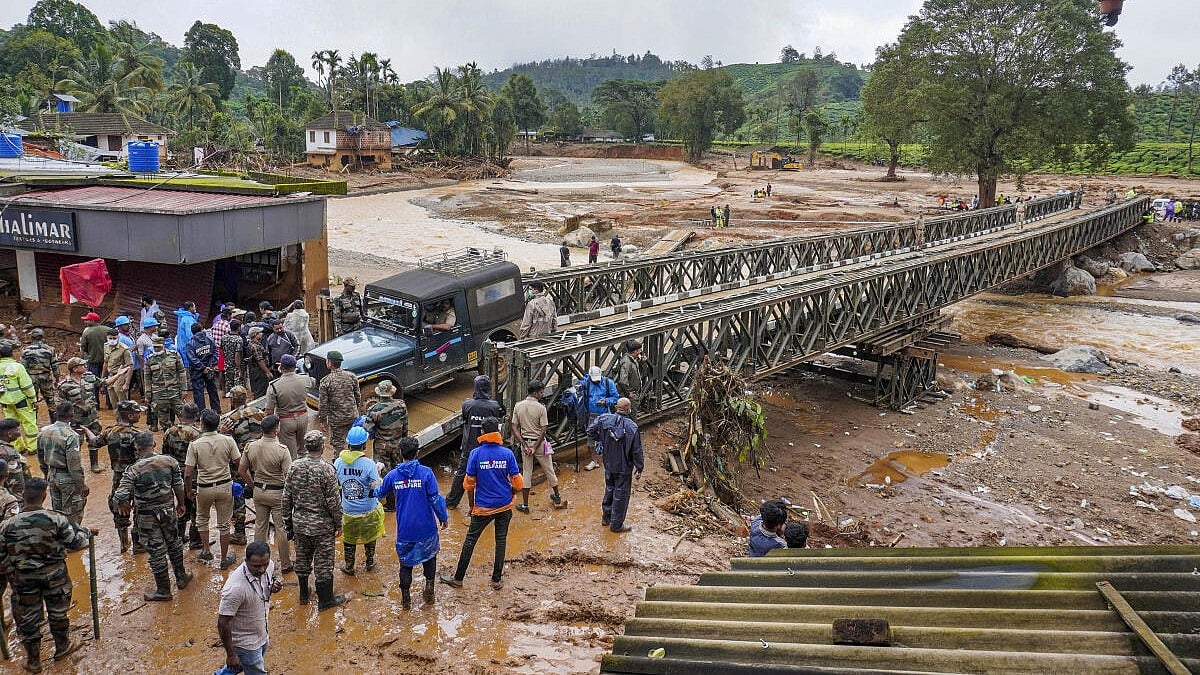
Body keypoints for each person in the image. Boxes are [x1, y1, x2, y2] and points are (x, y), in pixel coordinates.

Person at [0, 478, 95, 672]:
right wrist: (86, 532)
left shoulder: (6, 525)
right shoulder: (56, 518)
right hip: (55, 575)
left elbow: (1, 558)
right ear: (44, 496)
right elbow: (74, 542)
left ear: (23, 495)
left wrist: (12, 573)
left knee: (28, 618)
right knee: (58, 612)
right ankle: (62, 647)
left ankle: (34, 661)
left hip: (23, 579)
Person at [439, 417, 523, 591]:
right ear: (498, 432)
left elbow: (469, 484)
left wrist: (471, 506)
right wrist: (511, 493)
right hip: (504, 505)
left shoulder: (475, 454)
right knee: (501, 540)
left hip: (483, 507)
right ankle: (496, 580)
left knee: (470, 540)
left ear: (482, 432)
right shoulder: (507, 454)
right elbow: (518, 483)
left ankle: (458, 579)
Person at [113, 431, 193, 600]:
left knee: (156, 551)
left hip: (147, 517)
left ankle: (163, 590)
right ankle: (181, 577)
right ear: (154, 444)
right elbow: (178, 485)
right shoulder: (169, 461)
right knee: (174, 543)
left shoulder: (133, 470)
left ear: (137, 447)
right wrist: (181, 503)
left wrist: (124, 505)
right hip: (167, 511)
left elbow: (119, 495)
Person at [375, 436, 446, 609]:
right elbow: (435, 499)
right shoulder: (426, 473)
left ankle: (406, 600)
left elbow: (379, 493)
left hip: (405, 530)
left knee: (405, 565)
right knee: (430, 558)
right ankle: (429, 591)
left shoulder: (392, 476)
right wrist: (443, 517)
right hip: (426, 527)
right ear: (417, 453)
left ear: (400, 453)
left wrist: (374, 482)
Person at [282, 430, 346, 610]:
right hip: (322, 526)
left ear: (306, 447)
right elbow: (334, 502)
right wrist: (339, 523)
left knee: (302, 559)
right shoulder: (327, 470)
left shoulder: (294, 467)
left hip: (300, 524)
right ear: (322, 447)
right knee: (324, 563)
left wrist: (288, 523)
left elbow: (286, 497)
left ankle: (304, 594)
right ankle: (326, 601)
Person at [185, 408, 241, 569]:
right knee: (224, 524)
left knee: (202, 519)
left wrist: (189, 490)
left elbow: (188, 473)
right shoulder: (228, 441)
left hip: (204, 488)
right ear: (218, 424)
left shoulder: (195, 445)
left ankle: (206, 550)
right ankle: (224, 559)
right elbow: (239, 463)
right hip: (224, 486)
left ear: (201, 424)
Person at [218, 541, 282, 675]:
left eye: (265, 564)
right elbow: (223, 622)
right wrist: (231, 655)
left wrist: (273, 585)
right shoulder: (235, 588)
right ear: (246, 561)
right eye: (256, 566)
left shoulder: (268, 565)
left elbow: (268, 579)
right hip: (246, 644)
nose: (262, 570)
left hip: (262, 633)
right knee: (252, 667)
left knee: (240, 665)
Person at [239, 414, 293, 574]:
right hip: (277, 493)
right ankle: (286, 564)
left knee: (260, 526)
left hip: (259, 491)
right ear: (276, 430)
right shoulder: (282, 450)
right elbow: (289, 477)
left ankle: (256, 563)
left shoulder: (251, 446)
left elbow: (242, 470)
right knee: (281, 528)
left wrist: (252, 485)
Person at [91, 400, 147, 554]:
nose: (140, 415)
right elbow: (143, 460)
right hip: (135, 478)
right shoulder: (137, 435)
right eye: (137, 413)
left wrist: (87, 431)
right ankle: (138, 544)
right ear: (129, 416)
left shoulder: (110, 432)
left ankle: (123, 543)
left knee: (119, 508)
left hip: (118, 477)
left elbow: (94, 442)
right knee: (140, 508)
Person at [445, 375, 504, 509]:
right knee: (489, 472)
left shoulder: (467, 404)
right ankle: (490, 502)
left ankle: (452, 502)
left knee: (462, 474)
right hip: (488, 446)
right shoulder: (494, 406)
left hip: (469, 446)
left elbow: (465, 419)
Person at [587, 397, 643, 533]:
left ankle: (606, 518)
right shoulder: (632, 427)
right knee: (621, 494)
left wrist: (602, 440)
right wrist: (639, 467)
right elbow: (636, 451)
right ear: (629, 410)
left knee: (609, 489)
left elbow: (590, 431)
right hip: (624, 466)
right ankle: (616, 525)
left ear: (616, 407)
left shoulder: (604, 419)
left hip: (608, 462)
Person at [334, 426, 384, 575]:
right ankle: (370, 561)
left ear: (348, 444)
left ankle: (349, 566)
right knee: (370, 535)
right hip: (368, 510)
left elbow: (335, 485)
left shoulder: (338, 462)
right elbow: (376, 489)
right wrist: (378, 473)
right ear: (364, 445)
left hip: (348, 511)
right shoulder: (369, 464)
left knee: (349, 539)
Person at [220, 386, 266, 546]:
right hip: (259, 460)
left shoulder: (229, 419)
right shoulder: (260, 413)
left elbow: (223, 443)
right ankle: (263, 528)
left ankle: (240, 533)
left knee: (238, 496)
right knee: (262, 492)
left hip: (239, 463)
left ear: (233, 400)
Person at [37, 402, 91, 527]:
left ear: (56, 414)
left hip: (52, 475)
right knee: (73, 512)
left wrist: (46, 474)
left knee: (57, 512)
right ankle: (71, 536)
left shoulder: (44, 431)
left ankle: (59, 535)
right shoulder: (71, 436)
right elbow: (74, 464)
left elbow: (40, 456)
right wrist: (81, 484)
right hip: (67, 478)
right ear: (72, 414)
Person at [512, 380, 561, 514]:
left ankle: (525, 505)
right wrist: (535, 447)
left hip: (525, 444)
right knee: (549, 469)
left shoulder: (518, 406)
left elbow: (514, 427)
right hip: (539, 444)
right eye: (540, 392)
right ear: (535, 393)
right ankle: (557, 496)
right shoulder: (541, 408)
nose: (542, 394)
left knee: (527, 472)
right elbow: (543, 430)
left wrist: (524, 444)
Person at [362, 380, 408, 510]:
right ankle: (402, 499)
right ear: (391, 391)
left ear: (379, 393)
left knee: (385, 475)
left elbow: (367, 430)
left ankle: (391, 503)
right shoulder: (401, 405)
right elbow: (405, 426)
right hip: (398, 444)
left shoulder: (373, 410)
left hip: (381, 447)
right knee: (399, 471)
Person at [163, 402, 202, 549]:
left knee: (181, 504)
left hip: (175, 474)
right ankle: (195, 540)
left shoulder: (169, 431)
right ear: (196, 416)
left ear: (182, 415)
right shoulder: (197, 434)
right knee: (196, 508)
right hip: (193, 475)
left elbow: (165, 454)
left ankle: (179, 537)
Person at [58, 357, 102, 472]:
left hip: (92, 418)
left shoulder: (89, 377)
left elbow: (104, 383)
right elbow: (61, 406)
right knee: (75, 444)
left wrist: (119, 374)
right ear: (75, 369)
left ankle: (94, 465)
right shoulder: (64, 385)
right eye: (82, 365)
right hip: (75, 421)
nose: (85, 366)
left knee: (94, 441)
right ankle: (75, 467)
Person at [265, 354, 312, 459]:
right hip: (303, 418)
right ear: (295, 367)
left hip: (285, 421)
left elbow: (269, 411)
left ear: (281, 368)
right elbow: (312, 382)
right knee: (303, 450)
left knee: (290, 454)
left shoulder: (274, 386)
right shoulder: (305, 379)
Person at [316, 351, 360, 453]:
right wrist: (355, 409)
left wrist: (322, 420)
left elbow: (323, 404)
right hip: (352, 416)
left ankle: (339, 462)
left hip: (336, 420)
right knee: (354, 443)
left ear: (330, 363)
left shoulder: (326, 381)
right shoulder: (352, 376)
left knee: (338, 446)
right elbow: (357, 396)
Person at [0, 342, 38, 455]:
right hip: (21, 401)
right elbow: (27, 386)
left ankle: (18, 447)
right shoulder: (17, 367)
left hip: (5, 402)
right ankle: (33, 447)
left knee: (11, 425)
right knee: (29, 423)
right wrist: (33, 400)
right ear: (11, 354)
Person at [144, 335, 187, 432]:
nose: (156, 349)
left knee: (184, 416)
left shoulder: (174, 355)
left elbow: (182, 372)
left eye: (158, 347)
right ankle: (169, 436)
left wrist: (184, 389)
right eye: (155, 347)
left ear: (163, 345)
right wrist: (148, 394)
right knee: (164, 421)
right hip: (159, 394)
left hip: (174, 392)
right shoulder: (149, 359)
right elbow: (147, 378)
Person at [21, 328, 60, 423]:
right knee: (50, 401)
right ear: (42, 337)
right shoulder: (50, 349)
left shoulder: (26, 350)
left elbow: (23, 368)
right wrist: (57, 379)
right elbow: (55, 366)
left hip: (31, 379)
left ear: (31, 337)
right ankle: (54, 423)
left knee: (31, 401)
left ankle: (33, 423)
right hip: (46, 378)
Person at [580, 365, 619, 451]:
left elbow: (615, 398)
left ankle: (607, 453)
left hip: (605, 414)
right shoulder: (586, 382)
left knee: (607, 436)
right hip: (591, 415)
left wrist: (606, 401)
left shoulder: (608, 383)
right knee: (591, 438)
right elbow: (579, 388)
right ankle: (593, 457)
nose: (596, 381)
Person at [187, 322, 221, 413]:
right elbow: (215, 353)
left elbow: (192, 359)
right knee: (212, 390)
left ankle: (201, 413)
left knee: (199, 393)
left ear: (192, 332)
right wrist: (209, 366)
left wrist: (203, 368)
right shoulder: (209, 339)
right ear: (202, 329)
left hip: (197, 371)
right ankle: (217, 410)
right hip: (208, 369)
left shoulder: (190, 344)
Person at [102, 327, 134, 407]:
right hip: (110, 376)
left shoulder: (124, 349)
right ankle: (117, 416)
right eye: (110, 338)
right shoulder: (106, 346)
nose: (112, 340)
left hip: (121, 377)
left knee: (123, 403)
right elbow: (105, 362)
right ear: (107, 338)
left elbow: (130, 366)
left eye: (114, 338)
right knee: (114, 403)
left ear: (118, 338)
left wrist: (127, 383)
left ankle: (125, 416)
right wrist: (103, 378)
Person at [613, 340, 645, 414]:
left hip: (632, 395)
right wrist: (628, 393)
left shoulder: (633, 360)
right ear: (635, 351)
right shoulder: (627, 362)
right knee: (631, 415)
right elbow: (623, 381)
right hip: (629, 396)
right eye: (640, 350)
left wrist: (641, 362)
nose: (641, 352)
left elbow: (635, 372)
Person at [0, 418, 30, 494]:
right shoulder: (9, 453)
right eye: (17, 430)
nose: (20, 432)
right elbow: (16, 481)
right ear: (9, 434)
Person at [78, 311, 107, 389]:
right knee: (106, 381)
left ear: (93, 321)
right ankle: (107, 395)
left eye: (87, 320)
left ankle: (95, 396)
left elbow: (83, 347)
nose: (85, 322)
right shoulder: (108, 330)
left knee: (93, 383)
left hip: (93, 361)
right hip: (106, 361)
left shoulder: (87, 332)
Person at [219, 318, 246, 393]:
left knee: (230, 389)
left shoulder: (224, 337)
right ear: (238, 327)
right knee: (238, 390)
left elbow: (221, 351)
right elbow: (237, 355)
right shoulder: (239, 339)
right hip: (235, 368)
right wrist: (239, 369)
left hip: (227, 366)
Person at [246, 326, 272, 399]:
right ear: (255, 334)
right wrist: (268, 372)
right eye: (260, 332)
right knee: (261, 391)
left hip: (255, 371)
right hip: (259, 372)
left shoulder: (254, 344)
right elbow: (260, 361)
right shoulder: (255, 346)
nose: (262, 334)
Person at [174, 302, 199, 368]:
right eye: (194, 306)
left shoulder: (183, 316)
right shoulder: (188, 319)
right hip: (187, 346)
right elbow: (190, 335)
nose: (195, 308)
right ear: (190, 308)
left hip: (182, 344)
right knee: (187, 367)